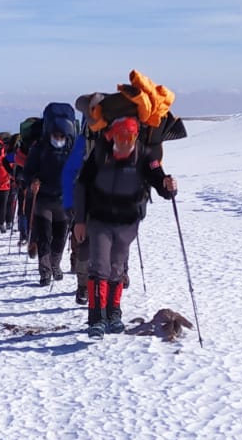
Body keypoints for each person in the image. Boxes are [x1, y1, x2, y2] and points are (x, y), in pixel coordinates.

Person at [72, 116, 178, 336]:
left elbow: (160, 183)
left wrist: (169, 187)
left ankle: (114, 314)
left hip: (127, 223)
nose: (125, 141)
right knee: (100, 266)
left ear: (136, 136)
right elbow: (81, 185)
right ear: (112, 136)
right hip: (100, 220)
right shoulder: (100, 154)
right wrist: (80, 220)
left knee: (117, 268)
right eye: (121, 136)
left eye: (129, 137)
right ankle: (96, 319)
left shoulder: (145, 157)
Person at [24, 121, 74, 286]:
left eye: (61, 135)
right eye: (56, 135)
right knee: (44, 236)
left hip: (62, 200)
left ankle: (55, 265)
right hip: (43, 200)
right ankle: (45, 272)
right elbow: (28, 171)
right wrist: (33, 180)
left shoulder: (70, 151)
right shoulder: (39, 150)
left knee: (60, 236)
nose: (58, 138)